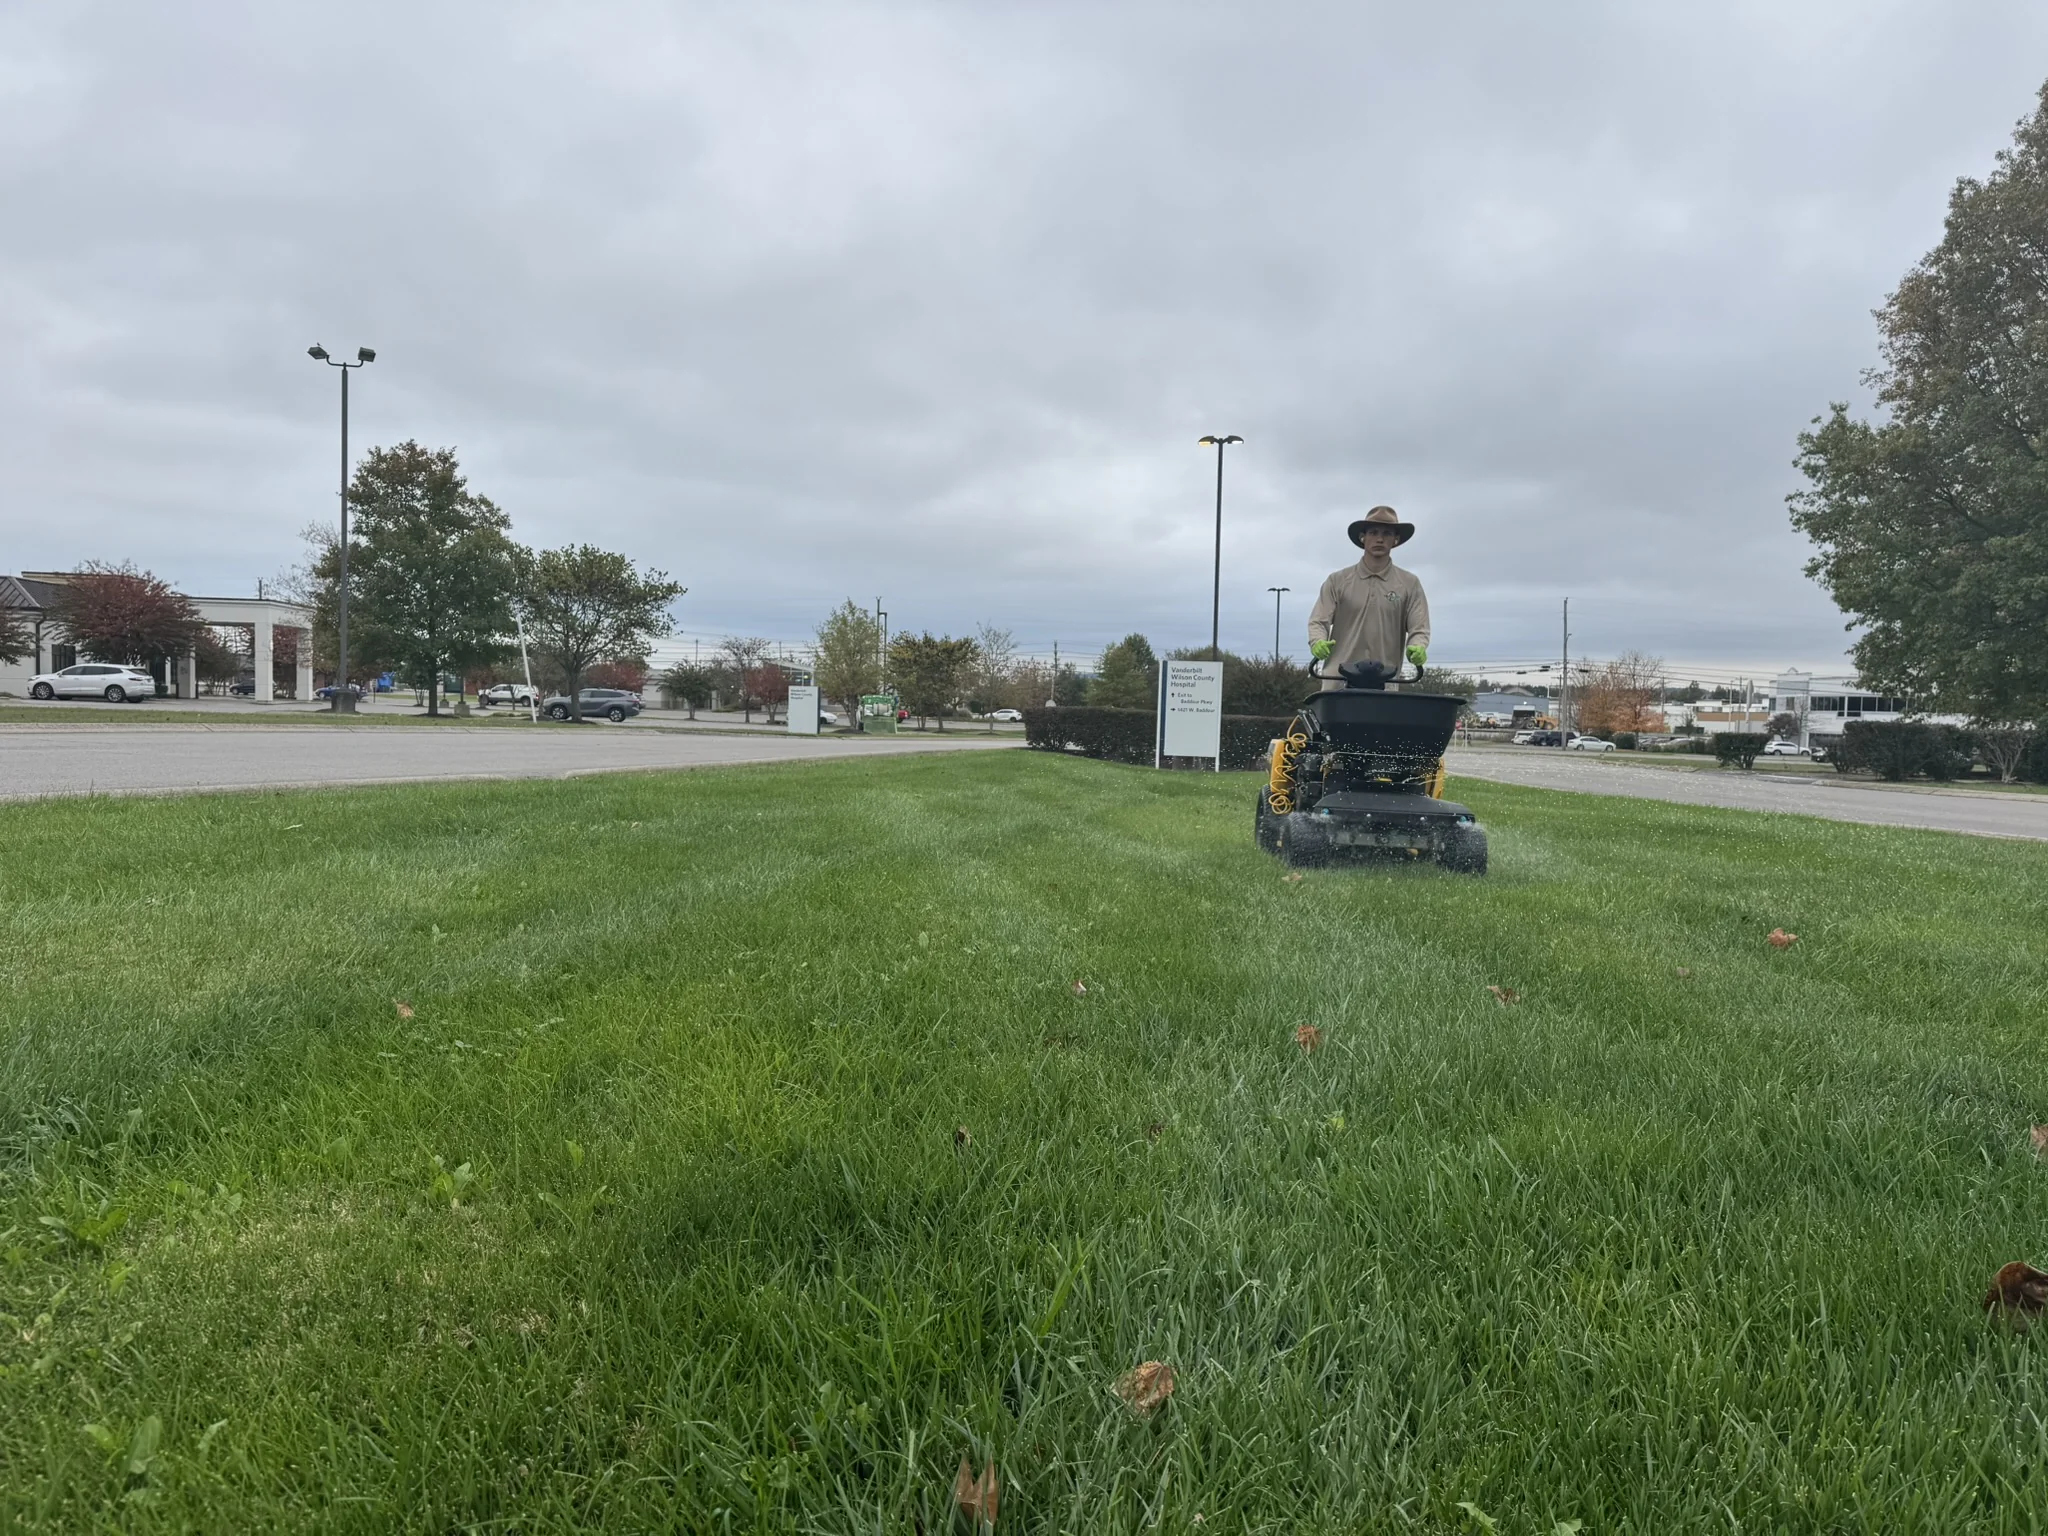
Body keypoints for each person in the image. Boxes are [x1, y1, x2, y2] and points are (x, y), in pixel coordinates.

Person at [1306, 505, 1430, 690]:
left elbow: (1419, 629)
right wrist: (1318, 641)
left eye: (1387, 533)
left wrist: (1417, 647)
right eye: (1373, 532)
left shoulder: (1409, 584)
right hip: (1337, 682)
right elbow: (1318, 621)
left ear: (1396, 540)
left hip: (1386, 683)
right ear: (1362, 537)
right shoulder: (1337, 581)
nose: (1379, 539)